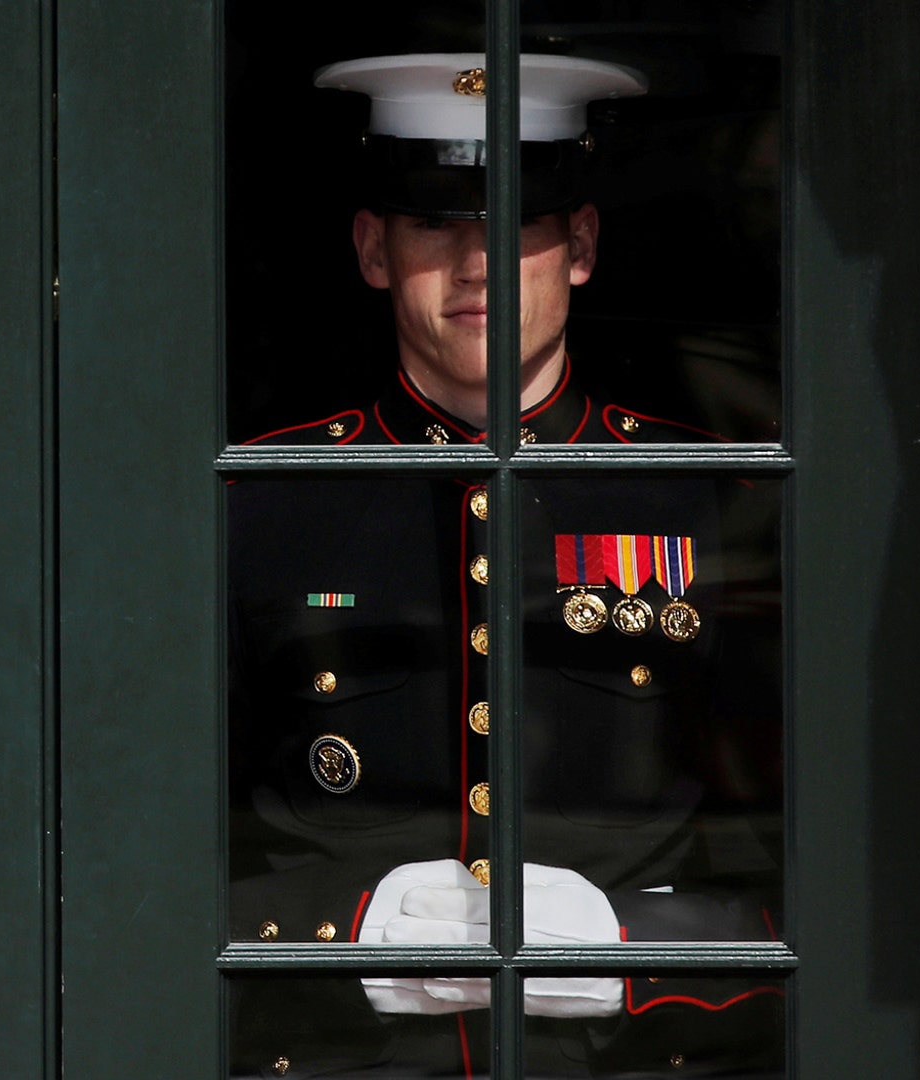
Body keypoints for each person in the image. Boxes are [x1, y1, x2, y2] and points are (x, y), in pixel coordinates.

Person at [226, 55, 784, 1077]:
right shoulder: (256, 505)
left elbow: (839, 849)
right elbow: (142, 850)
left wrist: (634, 956)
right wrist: (343, 930)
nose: (478, 262)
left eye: (518, 221)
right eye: (435, 222)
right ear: (372, 250)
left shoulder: (709, 497)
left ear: (578, 247)